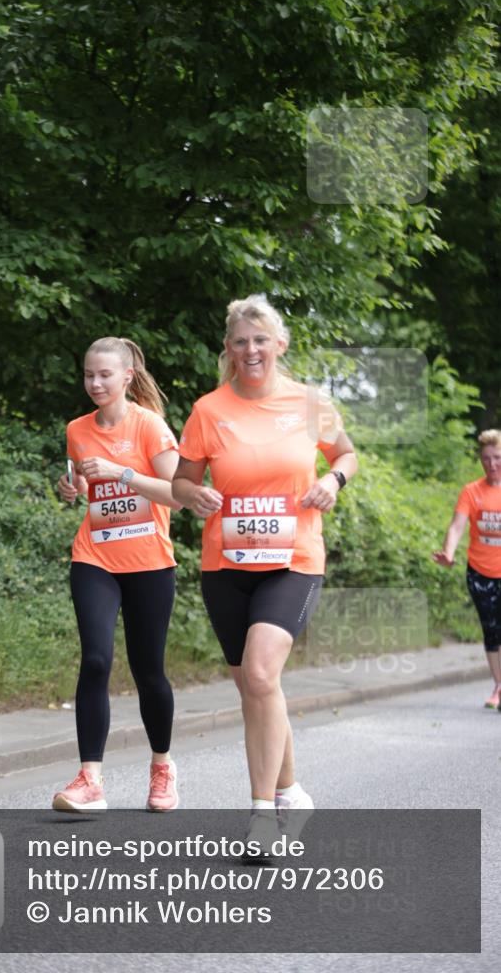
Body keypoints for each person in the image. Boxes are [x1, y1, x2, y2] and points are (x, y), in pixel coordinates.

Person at [172, 294, 357, 847]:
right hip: (226, 563)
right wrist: (194, 494)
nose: (251, 350)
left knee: (258, 675)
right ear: (229, 349)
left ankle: (262, 818)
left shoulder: (309, 402)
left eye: (260, 339)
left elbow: (345, 454)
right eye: (240, 341)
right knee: (256, 686)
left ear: (279, 344)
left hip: (294, 559)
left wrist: (333, 481)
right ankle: (293, 791)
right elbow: (182, 482)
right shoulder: (209, 410)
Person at [52, 337, 182, 811]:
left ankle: (162, 767)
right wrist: (71, 488)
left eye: (105, 375)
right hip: (95, 557)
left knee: (149, 673)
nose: (95, 383)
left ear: (127, 376)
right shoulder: (77, 429)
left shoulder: (149, 427)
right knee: (96, 660)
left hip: (149, 563)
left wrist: (119, 471)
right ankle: (90, 780)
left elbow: (178, 493)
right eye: (89, 374)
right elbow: (85, 487)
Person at [432, 429, 501, 709]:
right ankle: (499, 686)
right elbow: (457, 525)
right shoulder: (472, 492)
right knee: (492, 629)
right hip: (480, 573)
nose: (492, 464)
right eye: (486, 458)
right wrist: (449, 552)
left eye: (497, 457)